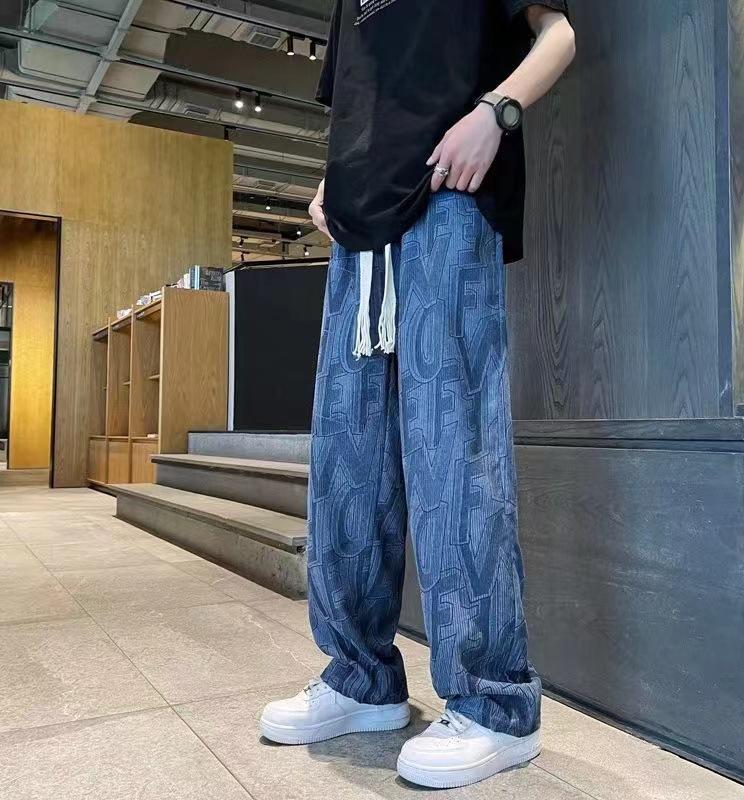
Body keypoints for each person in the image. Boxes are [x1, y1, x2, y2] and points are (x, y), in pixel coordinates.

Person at [260, 0, 575, 789]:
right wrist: (330, 180)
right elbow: (361, 98)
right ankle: (360, 677)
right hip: (358, 227)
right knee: (347, 465)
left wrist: (496, 113)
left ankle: (496, 704)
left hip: (449, 193)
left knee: (451, 453)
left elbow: (560, 33)